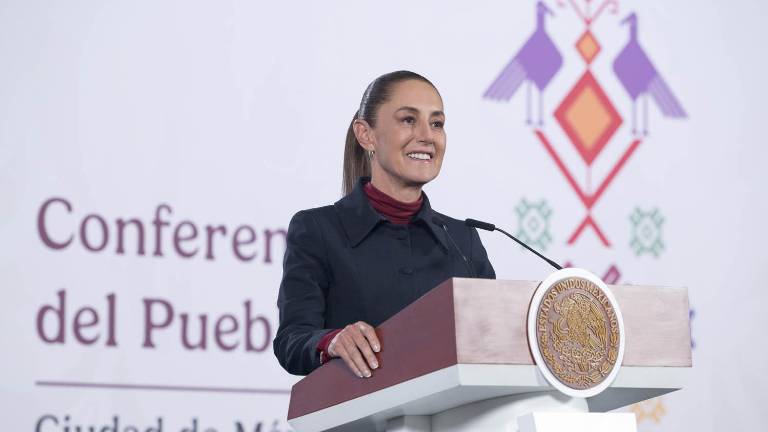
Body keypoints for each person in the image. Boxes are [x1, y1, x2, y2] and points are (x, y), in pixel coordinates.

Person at [273, 70, 495, 378]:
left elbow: (494, 343)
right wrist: (332, 341)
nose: (427, 136)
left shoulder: (464, 239)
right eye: (408, 120)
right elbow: (292, 340)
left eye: (437, 123)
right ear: (366, 134)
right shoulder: (317, 229)